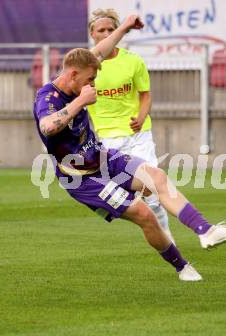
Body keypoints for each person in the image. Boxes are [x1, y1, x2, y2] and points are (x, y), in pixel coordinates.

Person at [33, 14, 226, 282]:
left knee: (156, 178)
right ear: (73, 75)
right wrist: (80, 102)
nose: (93, 85)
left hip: (101, 157)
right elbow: (48, 127)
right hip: (81, 178)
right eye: (89, 80)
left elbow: (100, 49)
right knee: (144, 214)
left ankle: (206, 231)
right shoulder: (48, 97)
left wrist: (124, 27)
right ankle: (182, 267)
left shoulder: (77, 72)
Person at [87, 9, 174, 242]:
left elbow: (145, 94)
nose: (106, 33)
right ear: (92, 34)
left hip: (138, 134)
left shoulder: (133, 61)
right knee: (118, 194)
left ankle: (168, 241)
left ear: (117, 32)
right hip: (107, 138)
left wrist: (141, 115)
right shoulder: (87, 66)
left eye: (110, 29)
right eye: (101, 30)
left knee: (151, 190)